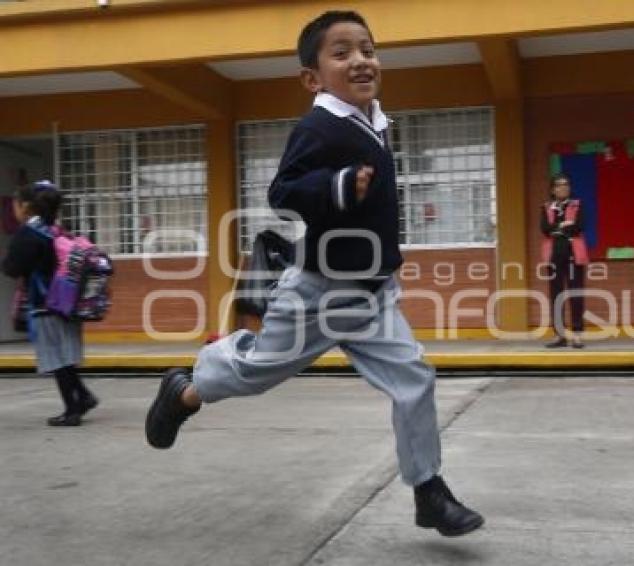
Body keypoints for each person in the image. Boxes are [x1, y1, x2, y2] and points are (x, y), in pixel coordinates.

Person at [145, 10, 484, 537]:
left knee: (414, 378)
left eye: (368, 49)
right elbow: (282, 192)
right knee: (255, 373)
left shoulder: (376, 121)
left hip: (371, 294)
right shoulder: (319, 126)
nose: (361, 60)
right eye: (342, 52)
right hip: (318, 293)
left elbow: (374, 208)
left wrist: (386, 254)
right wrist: (338, 185)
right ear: (312, 77)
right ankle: (185, 390)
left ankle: (429, 491)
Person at [1, 181, 98, 426]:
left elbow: (13, 268)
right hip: (67, 301)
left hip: (46, 304)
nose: (13, 209)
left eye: (15, 204)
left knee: (56, 359)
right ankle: (83, 397)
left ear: (25, 206)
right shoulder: (54, 229)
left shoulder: (28, 233)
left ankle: (72, 411)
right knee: (63, 358)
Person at [540, 174, 589, 348]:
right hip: (554, 257)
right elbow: (545, 229)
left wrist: (559, 228)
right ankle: (560, 336)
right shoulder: (547, 207)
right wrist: (564, 225)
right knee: (556, 296)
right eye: (559, 185)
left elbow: (579, 227)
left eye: (566, 184)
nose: (563, 188)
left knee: (576, 294)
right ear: (553, 189)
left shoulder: (577, 205)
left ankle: (577, 335)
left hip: (574, 256)